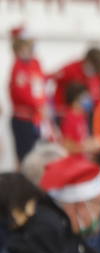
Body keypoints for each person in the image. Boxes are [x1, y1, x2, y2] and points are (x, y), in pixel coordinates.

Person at [9, 34, 47, 164]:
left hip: (35, 118)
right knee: (25, 157)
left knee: (38, 153)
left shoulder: (34, 65)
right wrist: (38, 105)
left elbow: (40, 86)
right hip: (23, 118)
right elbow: (22, 93)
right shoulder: (18, 68)